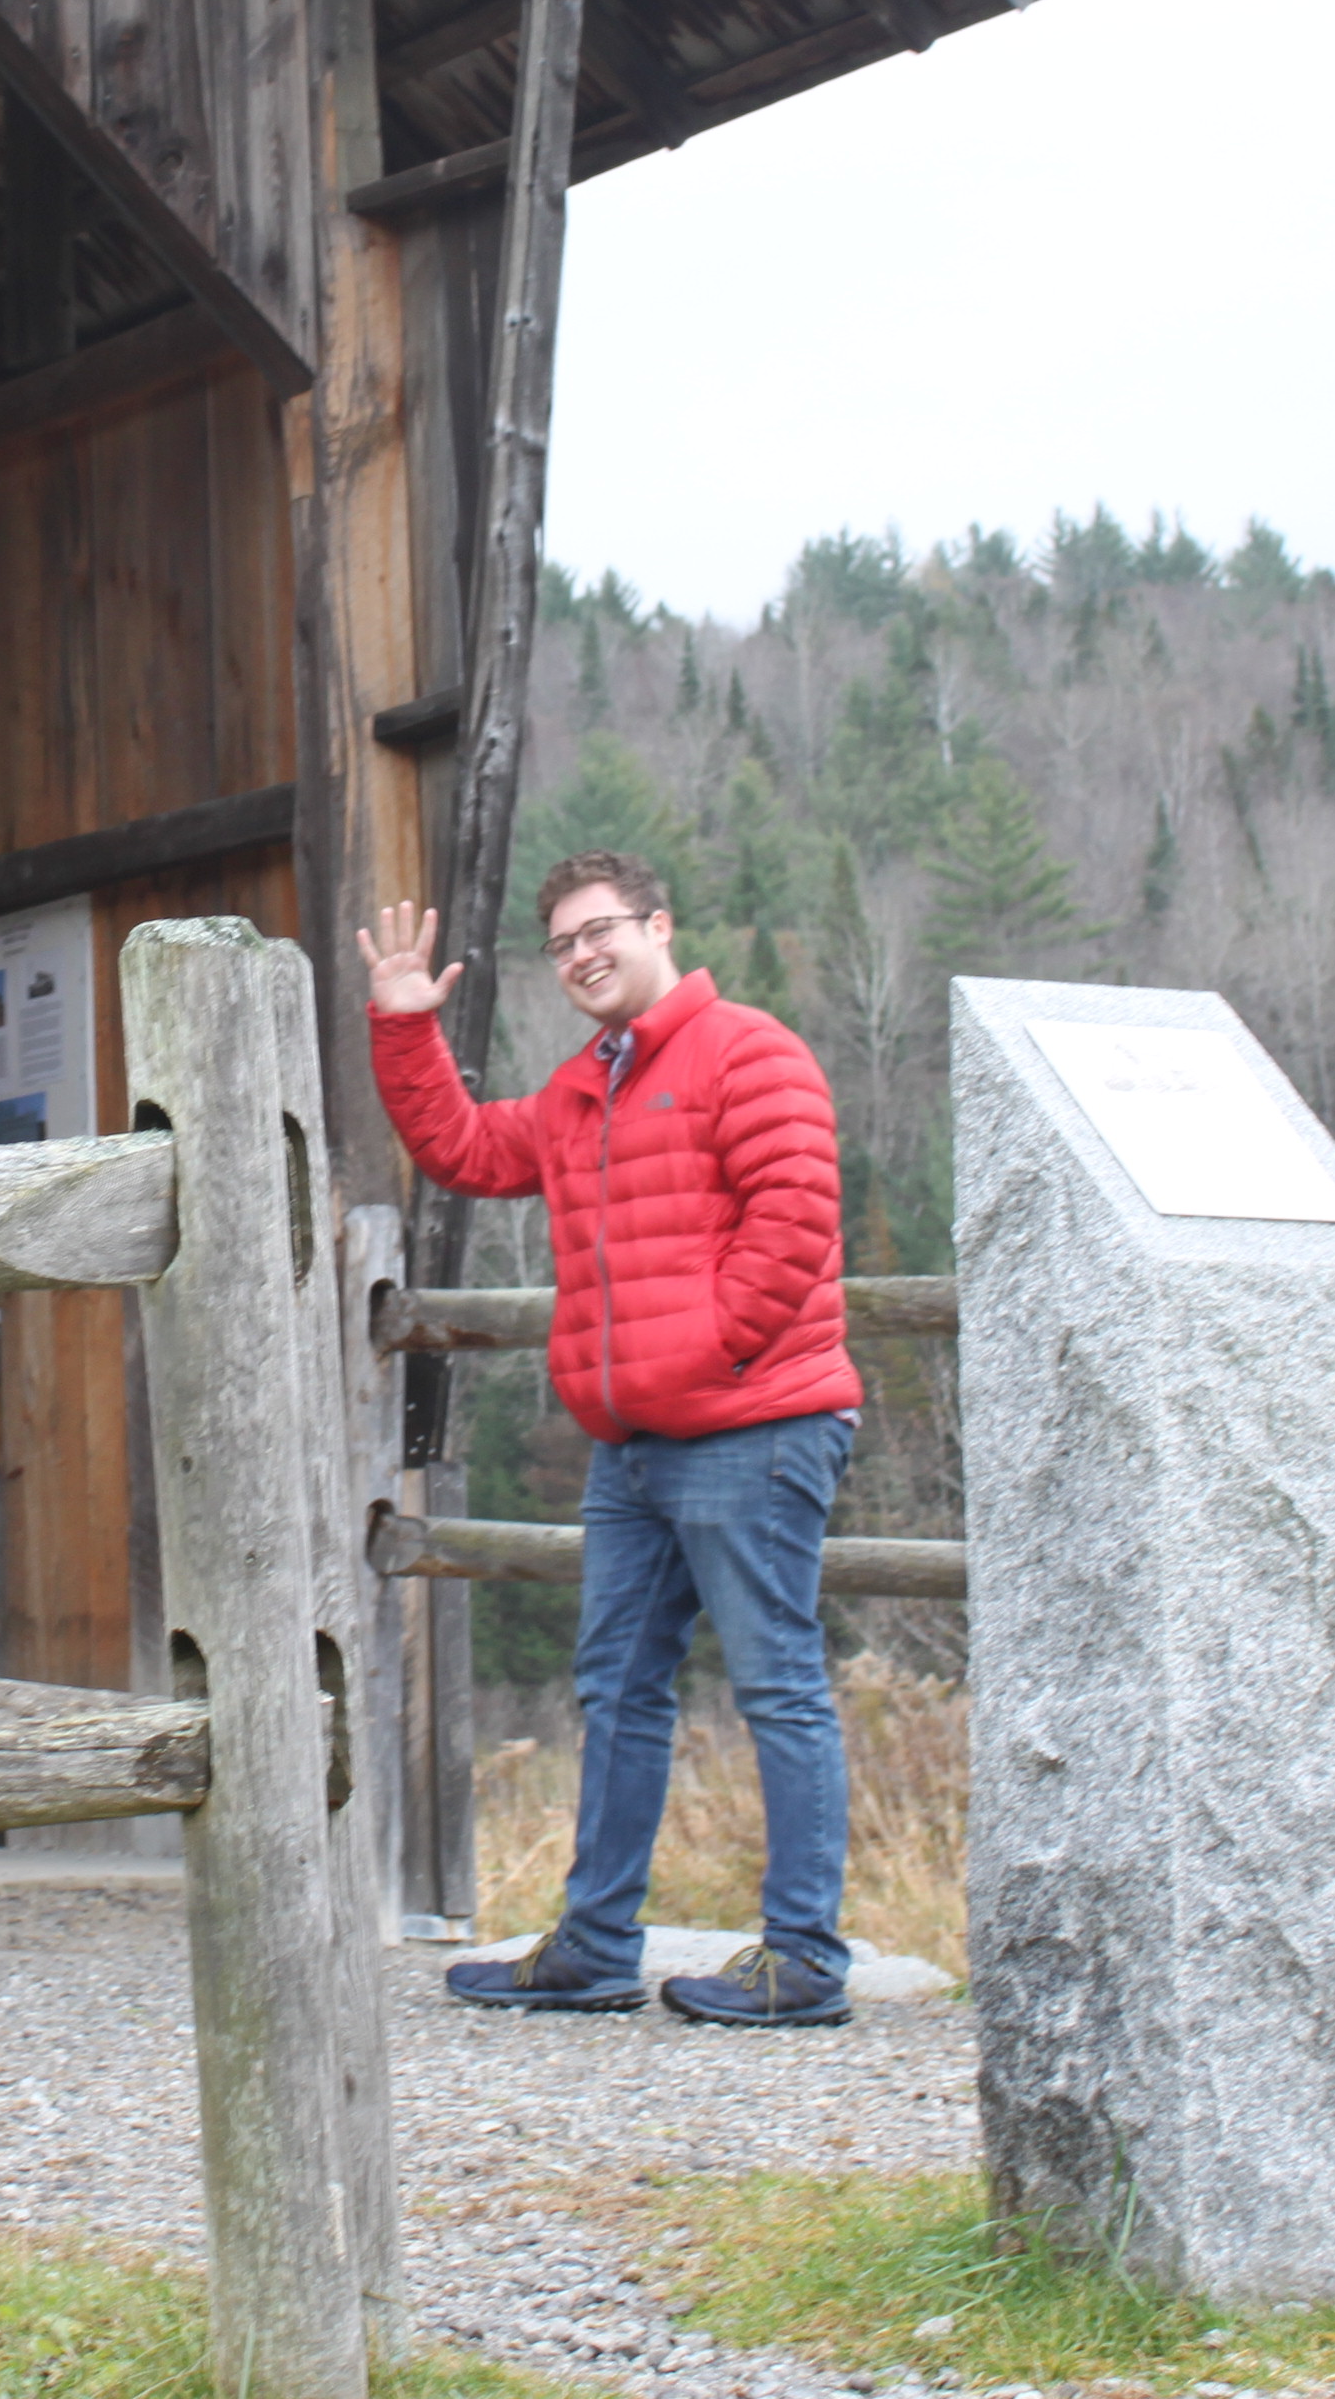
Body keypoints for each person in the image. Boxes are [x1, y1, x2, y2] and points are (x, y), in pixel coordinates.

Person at [357, 852, 863, 2028]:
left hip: (755, 1422)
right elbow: (470, 1152)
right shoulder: (588, 1086)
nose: (584, 955)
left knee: (777, 1686)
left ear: (659, 927)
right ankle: (593, 1948)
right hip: (634, 1447)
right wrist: (405, 1032)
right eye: (564, 944)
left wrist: (696, 1360)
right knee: (618, 1691)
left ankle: (803, 1963)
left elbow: (794, 1225)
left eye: (602, 931)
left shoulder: (750, 1050)